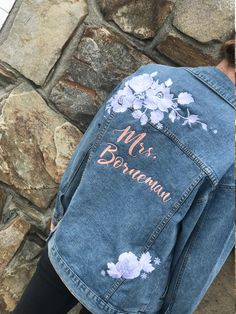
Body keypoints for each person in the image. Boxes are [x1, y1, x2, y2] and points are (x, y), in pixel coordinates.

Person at [12, 35, 235, 314]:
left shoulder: (149, 78)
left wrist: (60, 216)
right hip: (129, 291)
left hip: (73, 243)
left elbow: (86, 153)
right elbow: (199, 257)